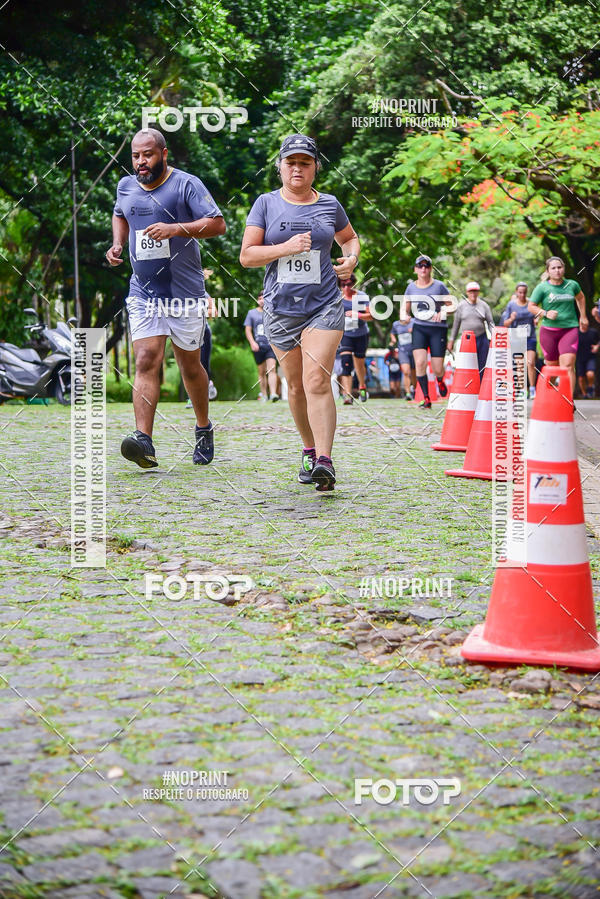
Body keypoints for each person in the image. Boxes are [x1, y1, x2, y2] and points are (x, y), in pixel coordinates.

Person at [240, 133, 359, 491]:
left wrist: (350, 259)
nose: (297, 168)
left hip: (323, 304)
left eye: (304, 162)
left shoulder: (330, 204)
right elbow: (247, 256)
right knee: (295, 386)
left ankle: (325, 459)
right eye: (290, 162)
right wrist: (284, 247)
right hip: (279, 309)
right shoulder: (264, 204)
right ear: (280, 167)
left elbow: (349, 238)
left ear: (315, 168)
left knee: (317, 380)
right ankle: (308, 449)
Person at [106, 128, 225, 468]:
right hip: (143, 292)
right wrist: (118, 243)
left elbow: (218, 224)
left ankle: (203, 427)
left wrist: (176, 229)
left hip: (184, 293)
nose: (141, 162)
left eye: (148, 155)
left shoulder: (186, 184)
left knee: (190, 365)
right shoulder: (126, 186)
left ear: (163, 153)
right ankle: (144, 439)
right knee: (146, 359)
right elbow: (120, 212)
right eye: (135, 156)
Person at [529, 256, 589, 395]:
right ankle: (548, 396)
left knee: (568, 365)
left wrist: (583, 316)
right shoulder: (542, 288)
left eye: (559, 267)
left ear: (564, 269)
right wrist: (545, 313)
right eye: (553, 268)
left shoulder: (572, 285)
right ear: (548, 271)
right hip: (549, 331)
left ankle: (568, 400)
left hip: (569, 329)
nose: (557, 271)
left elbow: (580, 297)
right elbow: (531, 306)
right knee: (552, 367)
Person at [404, 254, 456, 408]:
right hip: (419, 328)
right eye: (420, 266)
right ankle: (426, 398)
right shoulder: (411, 287)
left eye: (426, 266)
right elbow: (404, 310)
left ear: (431, 269)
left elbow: (453, 305)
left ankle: (439, 380)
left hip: (437, 329)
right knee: (419, 363)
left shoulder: (439, 286)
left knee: (437, 368)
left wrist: (444, 311)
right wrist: (405, 317)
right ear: (415, 269)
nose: (423, 268)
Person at [499, 282, 538, 397]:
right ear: (516, 292)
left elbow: (537, 314)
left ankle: (532, 389)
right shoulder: (511, 305)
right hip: (516, 338)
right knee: (519, 364)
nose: (522, 295)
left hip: (530, 337)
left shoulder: (531, 302)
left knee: (530, 362)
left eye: (524, 292)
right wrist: (511, 318)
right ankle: (522, 390)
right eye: (520, 292)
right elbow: (505, 324)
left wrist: (536, 319)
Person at [447, 281, 494, 376]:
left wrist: (495, 337)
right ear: (467, 293)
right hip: (467, 339)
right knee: (467, 363)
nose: (473, 293)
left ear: (478, 292)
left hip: (481, 338)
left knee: (482, 363)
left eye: (475, 291)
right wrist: (451, 340)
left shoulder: (484, 306)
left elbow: (490, 323)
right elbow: (456, 325)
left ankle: (480, 387)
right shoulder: (461, 306)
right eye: (471, 291)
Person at [339, 274, 372, 404]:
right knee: (346, 363)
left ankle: (362, 386)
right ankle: (348, 395)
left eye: (349, 284)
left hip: (360, 334)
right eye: (343, 285)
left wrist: (357, 314)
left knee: (359, 364)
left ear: (353, 283)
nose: (347, 287)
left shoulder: (361, 296)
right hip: (345, 334)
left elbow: (371, 316)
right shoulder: (337, 297)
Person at [244, 292, 279, 401]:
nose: (261, 300)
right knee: (262, 372)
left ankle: (273, 394)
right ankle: (264, 394)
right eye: (259, 298)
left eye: (263, 298)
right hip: (258, 346)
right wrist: (252, 343)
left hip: (271, 345)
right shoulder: (251, 313)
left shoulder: (273, 312)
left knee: (272, 369)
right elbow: (248, 330)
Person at [389, 315, 415, 399]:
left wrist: (414, 331)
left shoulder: (414, 322)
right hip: (402, 351)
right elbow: (392, 333)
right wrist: (393, 340)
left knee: (414, 372)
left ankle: (415, 389)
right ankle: (408, 393)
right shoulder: (396, 324)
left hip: (414, 350)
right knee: (406, 371)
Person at [576, 324, 600, 398]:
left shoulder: (593, 332)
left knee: (590, 374)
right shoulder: (575, 333)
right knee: (581, 378)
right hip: (579, 358)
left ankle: (590, 387)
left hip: (590, 357)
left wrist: (597, 346)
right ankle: (585, 394)